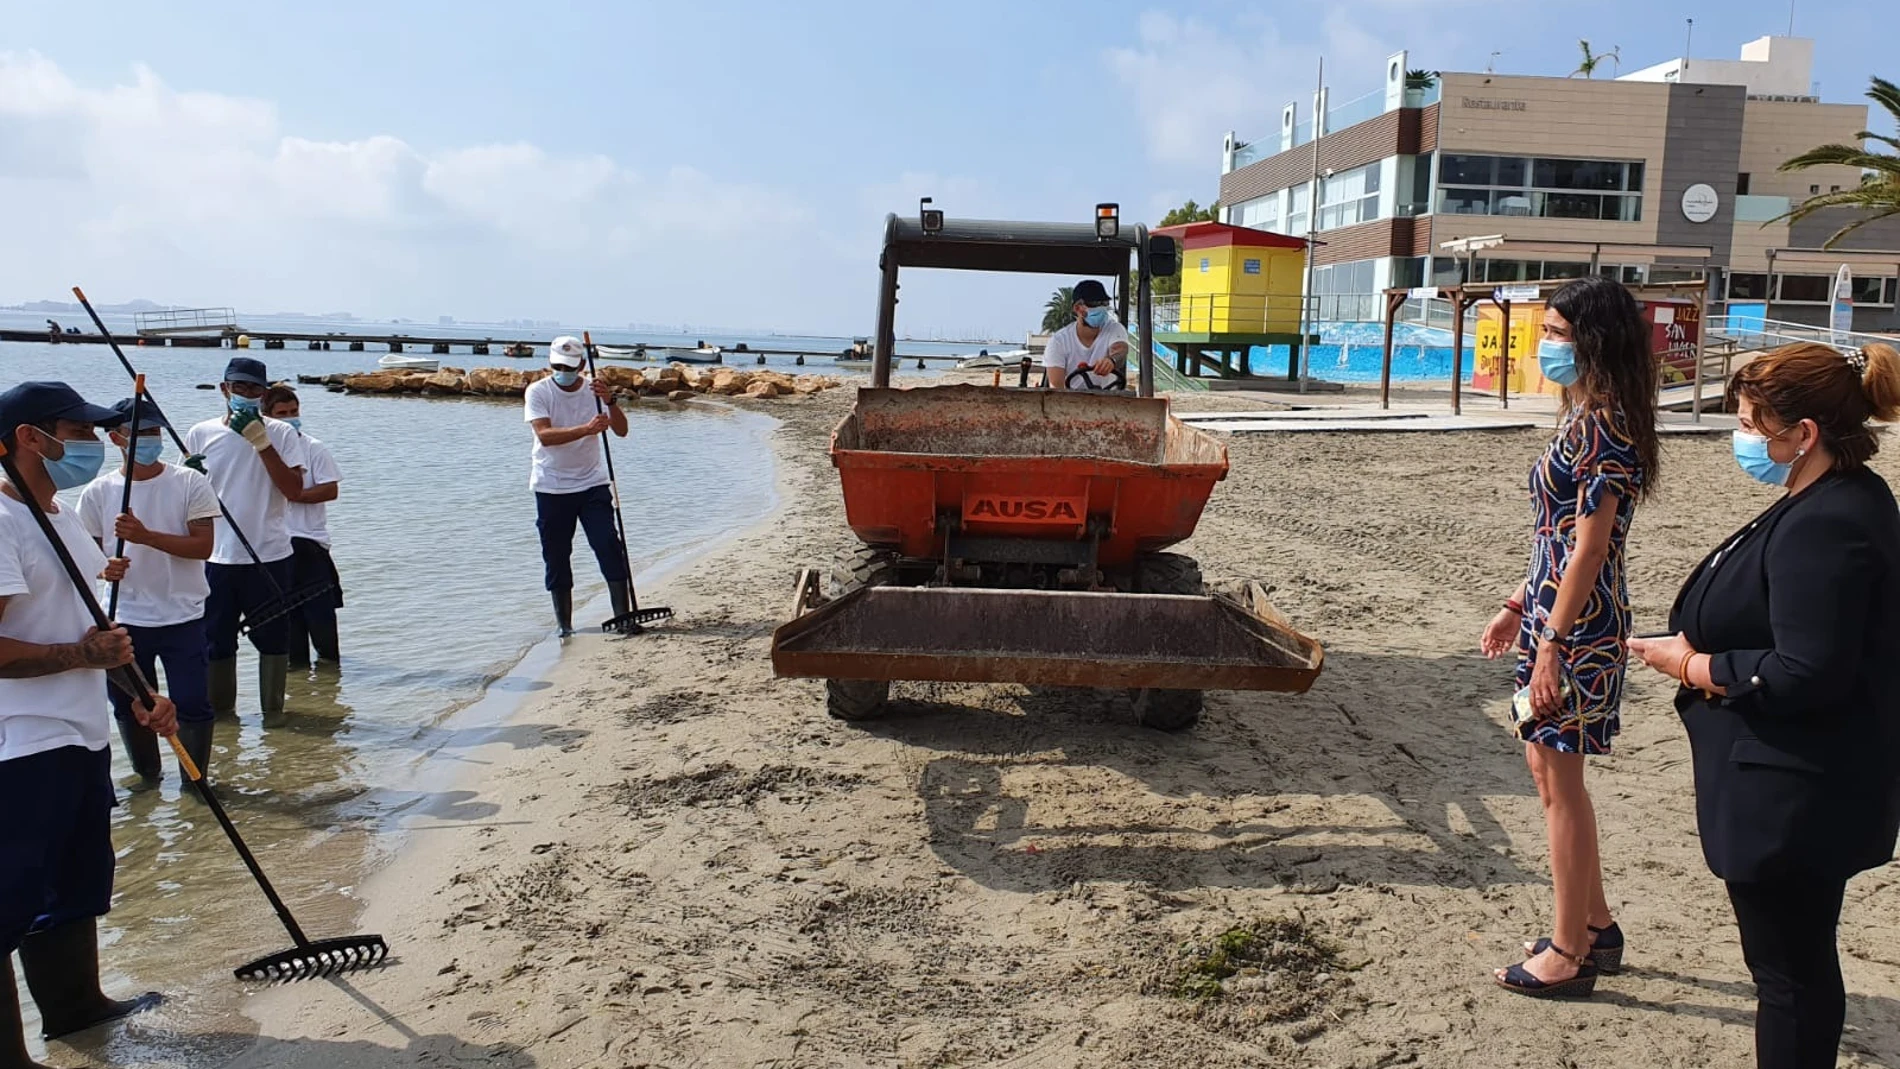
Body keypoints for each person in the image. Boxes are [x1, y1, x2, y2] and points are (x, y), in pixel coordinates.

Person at [1628, 342, 1900, 1068]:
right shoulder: (1833, 494)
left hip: (1795, 792)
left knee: (1789, 976)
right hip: (1797, 782)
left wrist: (1695, 663)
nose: (1742, 437)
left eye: (1752, 423)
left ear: (1803, 433)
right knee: (1795, 964)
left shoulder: (1828, 519)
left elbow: (1807, 670)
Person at [1479, 275, 1660, 997]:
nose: (1544, 345)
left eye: (1557, 334)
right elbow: (1555, 538)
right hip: (1556, 613)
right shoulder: (1586, 415)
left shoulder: (1605, 426)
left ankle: (1569, 950)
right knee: (1547, 770)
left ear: (1594, 342)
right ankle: (1596, 926)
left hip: (1577, 628)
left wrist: (1552, 639)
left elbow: (1590, 549)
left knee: (1560, 783)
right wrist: (1518, 601)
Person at [0, 381, 174, 1066]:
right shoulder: (2, 518)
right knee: (8, 901)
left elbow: (90, 625)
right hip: (20, 743)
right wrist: (82, 654)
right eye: (76, 429)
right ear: (26, 438)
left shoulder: (62, 514)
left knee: (73, 881)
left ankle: (76, 1007)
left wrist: (136, 688)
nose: (92, 443)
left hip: (78, 734)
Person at [77, 396, 220, 788]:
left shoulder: (190, 482)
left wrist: (145, 537)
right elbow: (86, 560)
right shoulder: (97, 492)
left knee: (192, 703)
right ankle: (147, 778)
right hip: (125, 616)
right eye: (139, 433)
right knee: (127, 702)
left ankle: (195, 781)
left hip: (182, 614)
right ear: (116, 438)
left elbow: (203, 547)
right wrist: (106, 568)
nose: (150, 439)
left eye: (155, 432)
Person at [183, 357, 306, 722]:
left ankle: (274, 717)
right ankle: (224, 724)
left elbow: (294, 490)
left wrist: (261, 443)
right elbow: (184, 499)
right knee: (216, 642)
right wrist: (187, 479)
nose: (247, 394)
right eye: (240, 387)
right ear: (224, 389)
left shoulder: (282, 434)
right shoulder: (200, 433)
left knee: (273, 640)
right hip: (217, 558)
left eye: (255, 389)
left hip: (269, 554)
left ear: (264, 394)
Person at [524, 335, 629, 636]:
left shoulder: (595, 392)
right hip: (551, 486)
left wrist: (610, 401)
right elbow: (545, 435)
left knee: (608, 543)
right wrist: (587, 429)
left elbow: (621, 431)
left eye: (570, 366)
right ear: (550, 362)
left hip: (592, 483)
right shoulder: (538, 392)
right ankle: (564, 626)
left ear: (582, 364)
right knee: (556, 555)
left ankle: (622, 617)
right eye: (558, 365)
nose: (564, 370)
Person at [262, 385, 342, 669]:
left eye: (294, 412)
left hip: (309, 541)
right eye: (282, 413)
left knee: (322, 620)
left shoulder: (313, 447)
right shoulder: (260, 452)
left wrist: (295, 495)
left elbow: (330, 489)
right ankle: (299, 689)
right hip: (273, 547)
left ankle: (330, 677)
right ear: (267, 416)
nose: (290, 417)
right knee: (288, 624)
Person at [1043, 279, 1129, 391]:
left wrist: (1111, 361)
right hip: (1072, 401)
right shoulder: (1059, 341)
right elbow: (1056, 387)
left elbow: (1121, 350)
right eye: (1095, 304)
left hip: (1109, 400)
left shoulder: (1114, 329)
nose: (1102, 308)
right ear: (1077, 308)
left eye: (1105, 304)